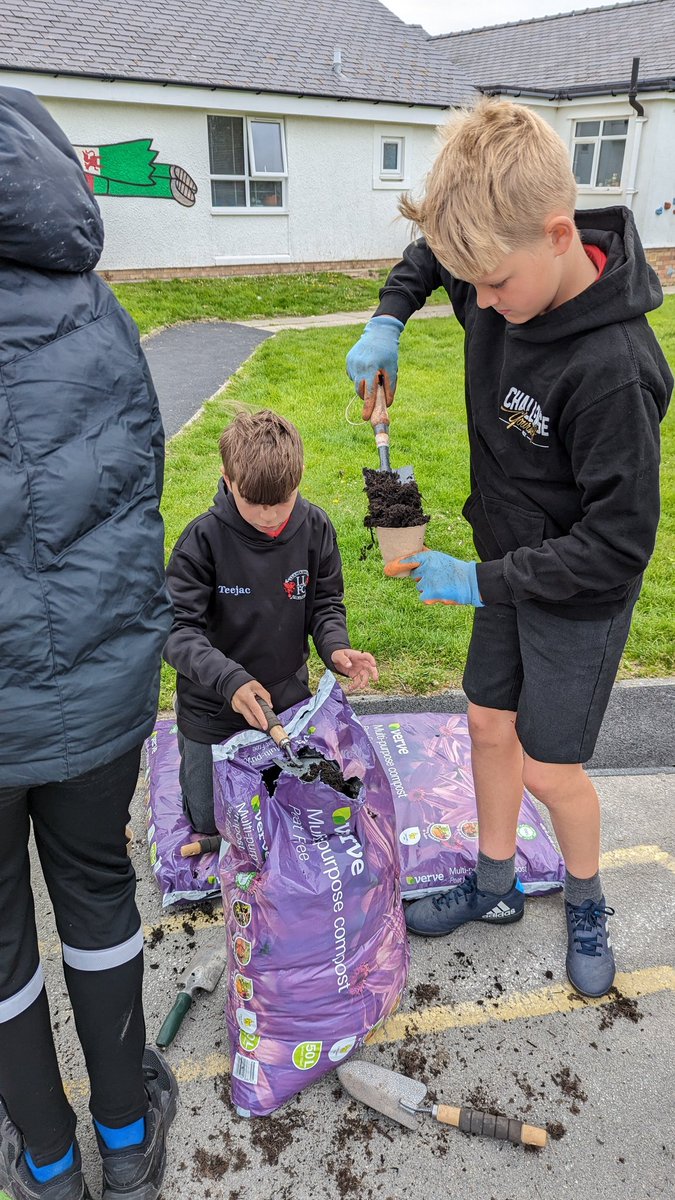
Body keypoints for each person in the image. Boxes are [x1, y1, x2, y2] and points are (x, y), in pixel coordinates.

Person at [346, 99, 672, 998]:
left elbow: (617, 546)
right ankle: (493, 888)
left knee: (547, 765)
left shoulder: (612, 371)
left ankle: (585, 897)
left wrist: (481, 578)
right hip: (503, 571)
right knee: (486, 724)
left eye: (491, 285)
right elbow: (432, 258)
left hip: (576, 594)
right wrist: (389, 319)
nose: (479, 306)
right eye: (470, 285)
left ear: (559, 234)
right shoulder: (497, 262)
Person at [0, 88, 177, 1200]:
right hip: (96, 690)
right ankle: (122, 1138)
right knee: (99, 890)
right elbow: (142, 474)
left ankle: (52, 1159)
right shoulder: (94, 312)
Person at [164, 408, 378, 835]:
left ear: (297, 481)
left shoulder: (315, 527)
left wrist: (335, 646)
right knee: (213, 823)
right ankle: (194, 758)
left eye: (281, 502)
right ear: (228, 480)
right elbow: (175, 631)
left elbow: (326, 603)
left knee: (304, 806)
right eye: (254, 503)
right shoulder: (201, 541)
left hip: (287, 700)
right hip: (214, 706)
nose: (268, 517)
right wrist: (230, 680)